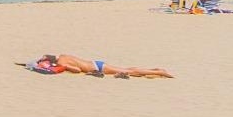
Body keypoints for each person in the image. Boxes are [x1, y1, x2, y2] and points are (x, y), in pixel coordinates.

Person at [28, 54, 173, 79]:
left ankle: (160, 72)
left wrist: (65, 68)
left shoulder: (62, 63)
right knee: (128, 69)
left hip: (98, 68)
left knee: (129, 71)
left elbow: (77, 70)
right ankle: (153, 70)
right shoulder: (63, 55)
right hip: (96, 63)